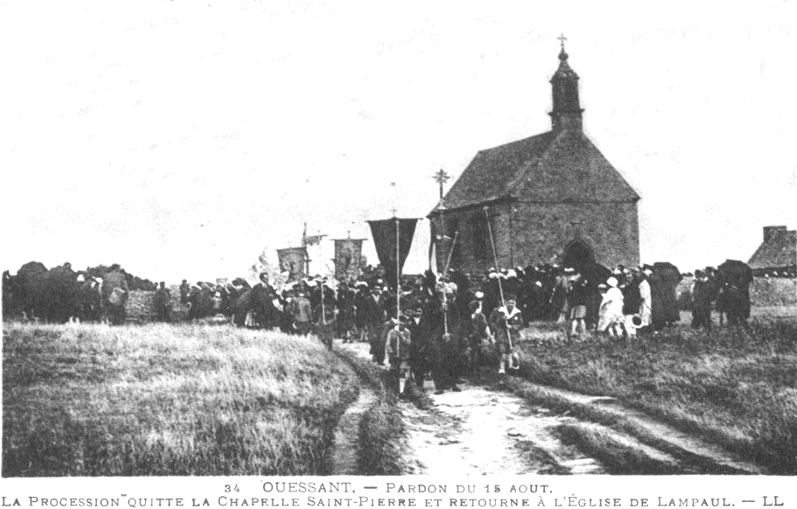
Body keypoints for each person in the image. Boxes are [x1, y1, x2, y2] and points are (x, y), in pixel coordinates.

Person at [490, 296, 522, 374]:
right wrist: (501, 320)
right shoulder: (499, 311)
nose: (510, 305)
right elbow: (492, 322)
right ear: (505, 303)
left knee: (514, 355)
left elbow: (521, 324)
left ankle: (515, 368)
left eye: (512, 303)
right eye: (509, 303)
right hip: (502, 335)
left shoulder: (517, 312)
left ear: (515, 303)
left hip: (513, 336)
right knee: (503, 353)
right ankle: (502, 369)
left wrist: (512, 327)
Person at [386, 318, 412, 394]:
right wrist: (391, 352)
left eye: (404, 324)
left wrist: (401, 337)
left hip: (404, 356)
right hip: (394, 355)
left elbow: (408, 343)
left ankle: (402, 391)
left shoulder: (407, 332)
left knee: (402, 371)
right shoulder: (392, 332)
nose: (402, 326)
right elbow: (388, 343)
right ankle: (393, 390)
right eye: (400, 324)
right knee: (393, 371)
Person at [466, 299, 492, 375]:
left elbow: (485, 326)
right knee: (469, 352)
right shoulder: (468, 316)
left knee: (476, 353)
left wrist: (489, 335)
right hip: (468, 336)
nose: (471, 308)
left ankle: (476, 370)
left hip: (476, 337)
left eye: (473, 307)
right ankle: (469, 369)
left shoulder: (480, 316)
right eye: (471, 307)